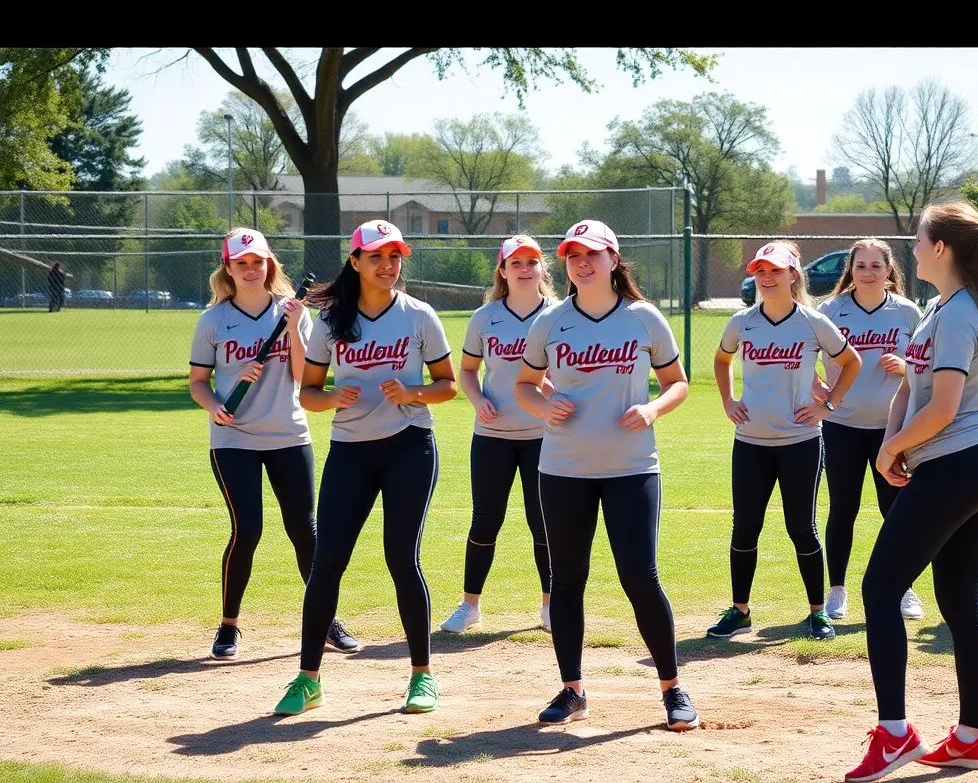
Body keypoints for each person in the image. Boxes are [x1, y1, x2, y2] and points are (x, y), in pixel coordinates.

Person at [845, 203, 978, 782]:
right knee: (958, 606)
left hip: (960, 465)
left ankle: (895, 734)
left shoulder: (957, 313)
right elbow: (922, 384)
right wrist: (899, 432)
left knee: (879, 589)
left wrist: (889, 447)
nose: (914, 246)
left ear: (943, 250)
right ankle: (971, 739)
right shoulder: (974, 303)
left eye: (921, 238)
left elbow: (947, 407)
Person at [514, 219, 699, 731]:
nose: (582, 262)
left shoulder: (643, 317)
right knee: (566, 578)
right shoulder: (550, 322)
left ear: (614, 260)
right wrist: (542, 406)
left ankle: (672, 688)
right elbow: (525, 385)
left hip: (631, 467)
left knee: (640, 575)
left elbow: (678, 383)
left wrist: (655, 409)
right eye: (573, 255)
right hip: (563, 468)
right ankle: (572, 690)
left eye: (593, 254)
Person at [273, 220, 457, 717]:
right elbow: (308, 392)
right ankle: (308, 679)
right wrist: (331, 397)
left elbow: (448, 385)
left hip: (409, 447)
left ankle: (422, 676)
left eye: (395, 256)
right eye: (377, 256)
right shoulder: (332, 320)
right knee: (326, 563)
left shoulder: (419, 315)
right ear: (355, 262)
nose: (388, 265)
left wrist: (414, 392)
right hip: (350, 450)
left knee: (403, 559)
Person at [189, 229, 360, 661]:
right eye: (241, 263)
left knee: (306, 529)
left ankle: (326, 622)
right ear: (227, 268)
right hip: (234, 438)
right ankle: (229, 625)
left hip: (288, 434)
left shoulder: (292, 312)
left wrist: (294, 329)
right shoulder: (213, 321)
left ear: (270, 265)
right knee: (247, 529)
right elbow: (197, 383)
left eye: (258, 262)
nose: (251, 269)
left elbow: (303, 377)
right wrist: (215, 406)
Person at [706, 242, 861, 642]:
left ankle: (816, 613)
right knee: (744, 529)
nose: (767, 277)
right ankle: (740, 610)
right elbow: (722, 361)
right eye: (760, 270)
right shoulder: (742, 322)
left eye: (776, 270)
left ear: (793, 275)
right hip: (751, 441)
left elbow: (851, 362)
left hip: (800, 442)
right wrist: (728, 400)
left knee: (802, 529)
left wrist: (828, 406)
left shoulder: (812, 322)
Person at [440, 235, 559, 634]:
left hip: (544, 436)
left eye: (531, 262)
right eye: (516, 264)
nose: (524, 270)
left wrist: (553, 391)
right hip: (493, 434)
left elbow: (569, 373)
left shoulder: (560, 315)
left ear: (543, 268)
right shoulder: (485, 317)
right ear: (503, 271)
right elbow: (469, 371)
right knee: (485, 521)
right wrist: (476, 400)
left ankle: (549, 606)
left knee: (544, 522)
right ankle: (470, 605)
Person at [814, 240, 925, 622]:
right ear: (851, 269)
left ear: (889, 269)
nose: (868, 272)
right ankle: (837, 591)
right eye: (860, 265)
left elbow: (930, 366)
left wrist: (907, 367)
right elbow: (800, 356)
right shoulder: (831, 309)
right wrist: (822, 394)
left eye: (876, 265)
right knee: (843, 509)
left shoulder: (908, 312)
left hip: (892, 429)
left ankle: (904, 587)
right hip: (841, 425)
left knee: (895, 510)